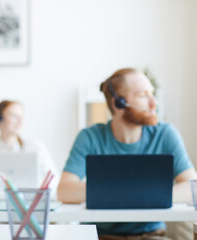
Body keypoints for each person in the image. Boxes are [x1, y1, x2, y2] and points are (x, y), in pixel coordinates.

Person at [57, 68, 197, 239]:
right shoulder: (90, 137)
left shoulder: (166, 134)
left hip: (151, 235)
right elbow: (64, 190)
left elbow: (192, 189)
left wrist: (131, 192)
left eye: (151, 94)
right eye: (143, 95)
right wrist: (137, 192)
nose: (154, 103)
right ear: (118, 103)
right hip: (101, 236)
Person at [0, 100, 59, 191]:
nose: (19, 121)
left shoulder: (35, 146)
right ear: (0, 119)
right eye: (14, 116)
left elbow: (54, 178)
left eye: (21, 117)